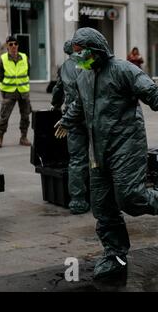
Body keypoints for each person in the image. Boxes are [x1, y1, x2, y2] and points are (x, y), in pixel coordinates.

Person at [54, 28, 158, 280]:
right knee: (102, 206)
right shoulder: (84, 75)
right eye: (75, 54)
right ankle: (115, 255)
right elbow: (80, 103)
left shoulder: (123, 70)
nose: (77, 58)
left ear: (95, 49)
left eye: (81, 53)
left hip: (126, 146)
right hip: (98, 150)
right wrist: (66, 120)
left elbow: (152, 93)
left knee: (130, 198)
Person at [51, 40, 90, 215]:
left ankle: (77, 201)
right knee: (96, 155)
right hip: (88, 114)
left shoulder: (64, 66)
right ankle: (99, 197)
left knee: (76, 158)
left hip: (72, 117)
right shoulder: (85, 61)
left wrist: (55, 105)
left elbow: (58, 89)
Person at [0, 36, 31, 148]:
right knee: (4, 117)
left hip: (23, 91)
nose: (13, 46)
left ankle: (23, 137)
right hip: (9, 92)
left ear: (18, 45)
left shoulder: (24, 57)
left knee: (25, 116)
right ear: (7, 46)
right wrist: (2, 88)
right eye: (11, 44)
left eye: (15, 44)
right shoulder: (2, 59)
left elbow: (28, 72)